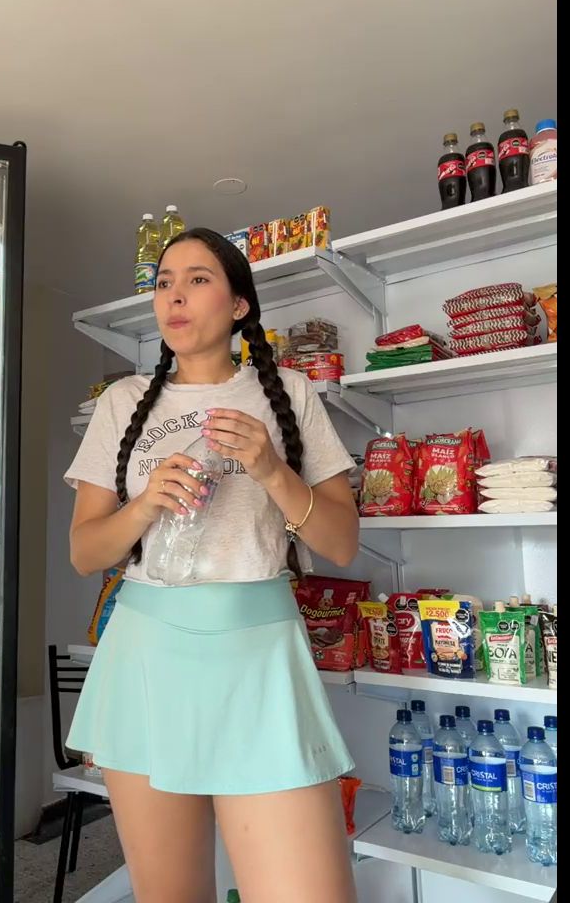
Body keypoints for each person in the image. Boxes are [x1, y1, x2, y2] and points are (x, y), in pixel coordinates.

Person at [64, 228, 360, 903]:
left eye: (198, 279)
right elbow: (85, 553)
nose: (175, 295)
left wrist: (271, 470)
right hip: (145, 659)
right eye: (164, 282)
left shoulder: (290, 393)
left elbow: (342, 543)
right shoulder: (121, 402)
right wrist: (145, 506)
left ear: (239, 306)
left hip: (260, 660)